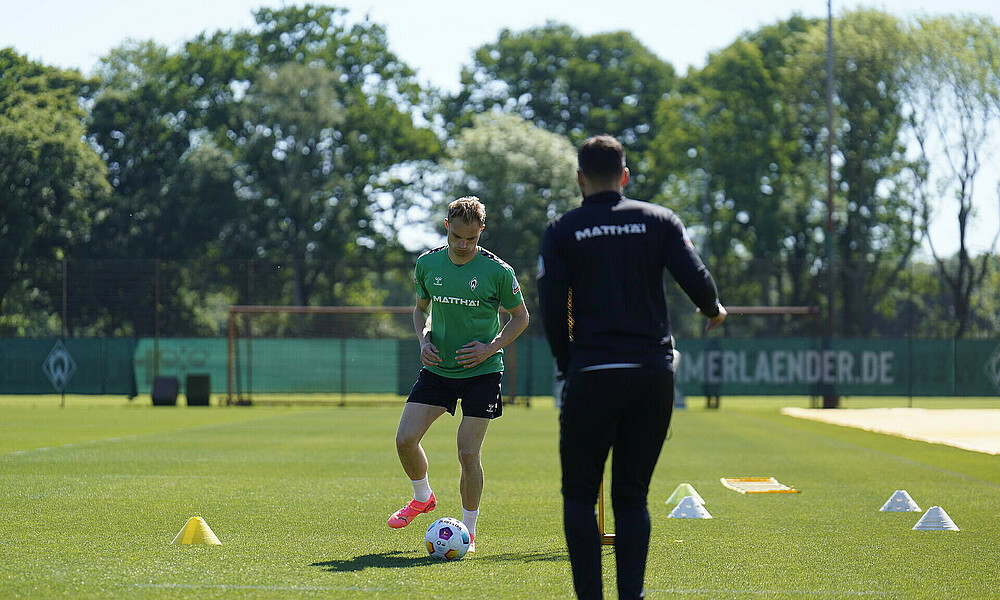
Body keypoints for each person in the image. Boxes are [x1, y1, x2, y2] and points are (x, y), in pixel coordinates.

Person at [537, 135, 727, 599]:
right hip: (651, 374)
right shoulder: (659, 220)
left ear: (580, 179)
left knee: (580, 495)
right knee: (631, 496)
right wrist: (714, 310)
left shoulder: (564, 229)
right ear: (624, 176)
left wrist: (568, 365)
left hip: (592, 374)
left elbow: (549, 305)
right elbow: (697, 279)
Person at [389, 196, 530, 554]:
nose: (464, 246)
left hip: (481, 370)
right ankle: (423, 497)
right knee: (405, 439)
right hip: (438, 367)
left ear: (481, 230)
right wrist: (423, 340)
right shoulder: (426, 264)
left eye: (472, 238)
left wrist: (490, 347)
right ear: (446, 227)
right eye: (458, 238)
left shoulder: (499, 272)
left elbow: (521, 318)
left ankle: (467, 529)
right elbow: (420, 311)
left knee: (468, 452)